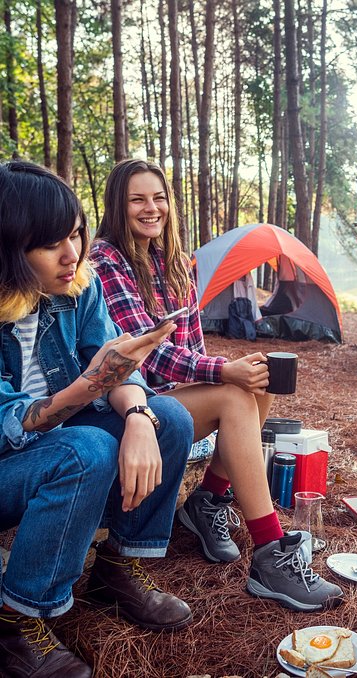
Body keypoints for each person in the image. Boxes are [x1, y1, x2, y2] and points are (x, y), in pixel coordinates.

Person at [90, 159, 343, 612]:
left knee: (258, 382)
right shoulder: (106, 260)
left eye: (158, 197)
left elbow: (192, 346)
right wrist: (224, 372)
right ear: (118, 206)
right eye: (137, 200)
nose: (151, 208)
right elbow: (144, 353)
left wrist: (231, 367)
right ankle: (270, 553)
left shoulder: (175, 262)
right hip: (127, 402)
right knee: (232, 391)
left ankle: (207, 501)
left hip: (171, 398)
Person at [0, 161, 195, 677]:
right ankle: (13, 620)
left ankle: (117, 569)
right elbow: (12, 424)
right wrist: (93, 383)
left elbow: (111, 358)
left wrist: (135, 414)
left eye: (76, 234)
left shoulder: (77, 288)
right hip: (9, 464)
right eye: (50, 245)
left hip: (60, 447)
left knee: (167, 417)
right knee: (84, 448)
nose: (73, 255)